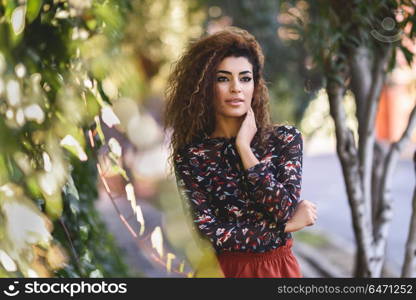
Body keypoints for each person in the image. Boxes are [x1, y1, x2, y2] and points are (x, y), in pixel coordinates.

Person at [163, 26, 317, 278]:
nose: (236, 88)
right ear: (205, 87)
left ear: (255, 85)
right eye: (223, 78)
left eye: (245, 78)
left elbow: (283, 208)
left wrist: (245, 150)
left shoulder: (284, 140)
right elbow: (210, 234)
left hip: (278, 270)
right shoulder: (192, 157)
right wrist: (286, 228)